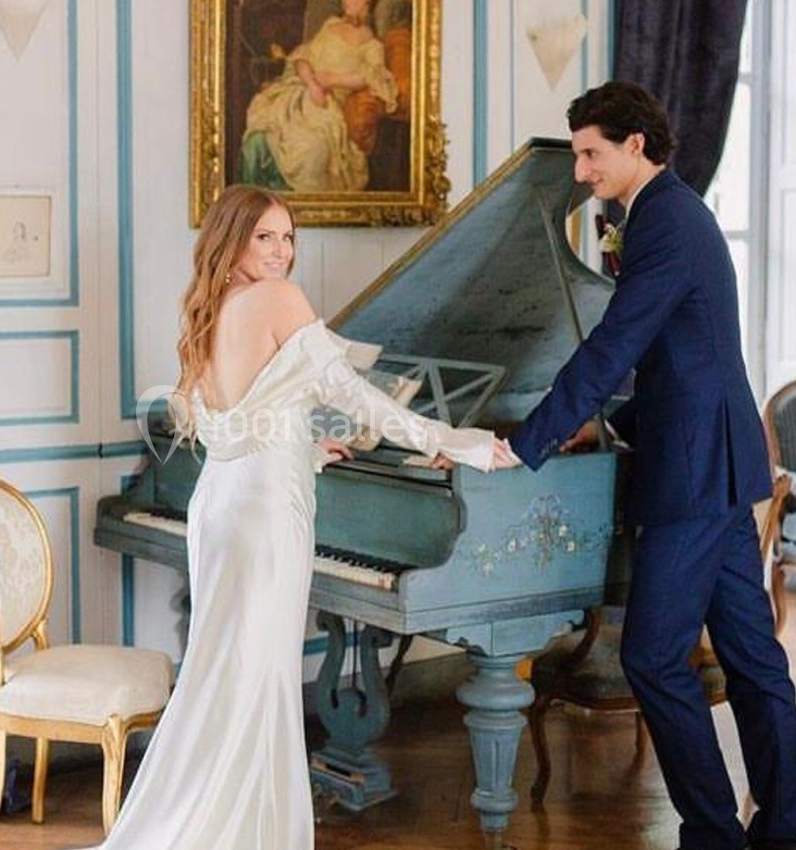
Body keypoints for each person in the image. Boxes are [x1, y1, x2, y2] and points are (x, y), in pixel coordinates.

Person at [82, 184, 503, 850]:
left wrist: (300, 445)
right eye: (265, 238)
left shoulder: (210, 307)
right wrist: (457, 442)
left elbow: (227, 424)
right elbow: (354, 396)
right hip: (264, 514)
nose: (281, 253)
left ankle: (210, 823)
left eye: (288, 239)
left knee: (225, 673)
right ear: (233, 241)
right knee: (257, 676)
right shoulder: (278, 300)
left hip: (223, 502)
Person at [497, 82, 796, 850]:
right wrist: (600, 422)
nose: (579, 172)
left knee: (650, 656)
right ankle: (788, 834)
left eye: (590, 154)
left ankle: (714, 833)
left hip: (694, 470)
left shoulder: (666, 222)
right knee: (752, 661)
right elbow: (685, 359)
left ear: (635, 145)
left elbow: (617, 346)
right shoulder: (665, 214)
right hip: (713, 457)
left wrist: (527, 440)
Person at [239, 0, 398, 192]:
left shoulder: (372, 46)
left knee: (311, 149)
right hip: (299, 93)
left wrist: (333, 80)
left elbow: (372, 79)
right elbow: (302, 59)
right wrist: (312, 83)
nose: (344, 1)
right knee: (259, 136)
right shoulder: (331, 25)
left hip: (327, 109)